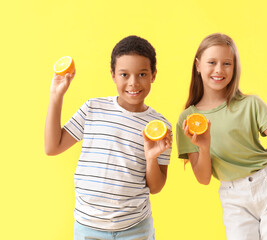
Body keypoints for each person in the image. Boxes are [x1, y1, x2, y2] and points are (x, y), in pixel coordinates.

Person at [176, 33, 267, 240]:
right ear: (198, 65)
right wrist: (205, 146)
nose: (219, 69)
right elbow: (203, 178)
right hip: (233, 197)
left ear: (235, 68)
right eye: (211, 62)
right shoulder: (189, 119)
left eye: (227, 63)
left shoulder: (251, 104)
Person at [45, 35, 172, 240]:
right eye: (124, 74)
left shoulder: (159, 127)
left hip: (136, 228)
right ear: (113, 75)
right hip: (88, 227)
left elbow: (156, 187)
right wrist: (56, 95)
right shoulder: (93, 108)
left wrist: (151, 157)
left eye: (142, 74)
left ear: (153, 75)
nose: (133, 83)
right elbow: (53, 147)